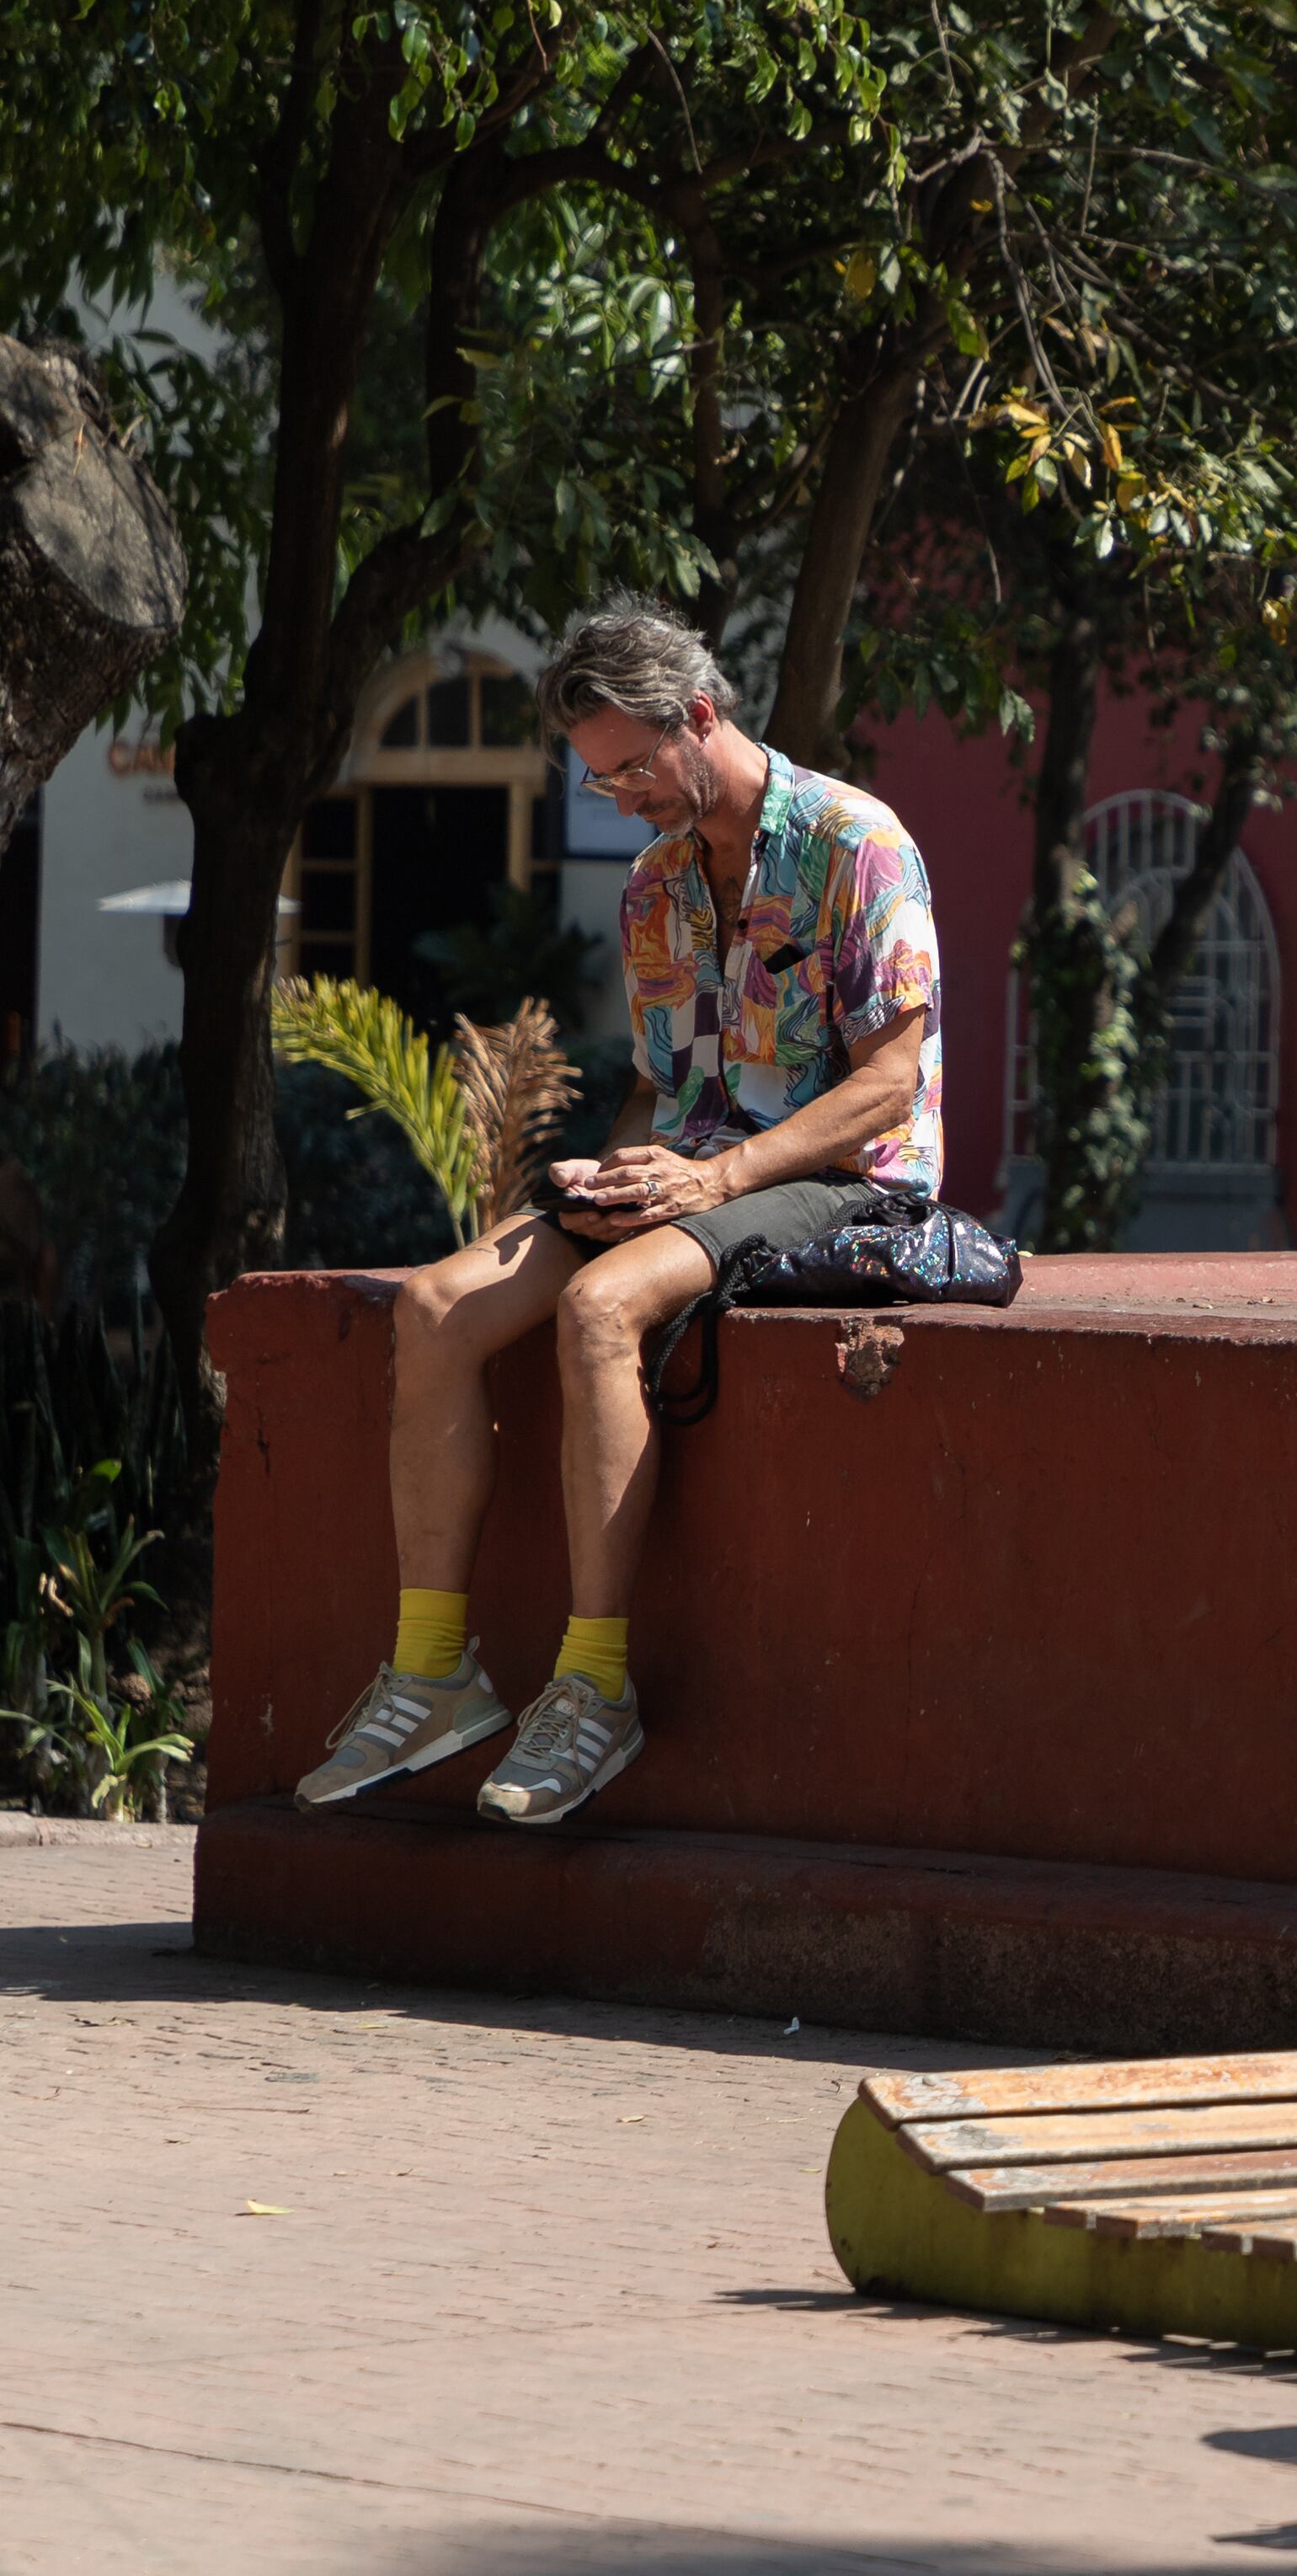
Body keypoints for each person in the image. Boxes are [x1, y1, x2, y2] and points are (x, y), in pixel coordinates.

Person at [297, 595, 946, 1826]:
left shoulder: (857, 844)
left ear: (701, 716)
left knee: (601, 1309)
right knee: (436, 1303)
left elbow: (888, 1083)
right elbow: (658, 1086)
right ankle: (434, 1670)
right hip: (691, 1174)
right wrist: (618, 1172)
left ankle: (594, 1688)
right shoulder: (655, 885)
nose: (620, 800)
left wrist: (710, 1183)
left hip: (842, 1181)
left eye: (632, 770)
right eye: (598, 782)